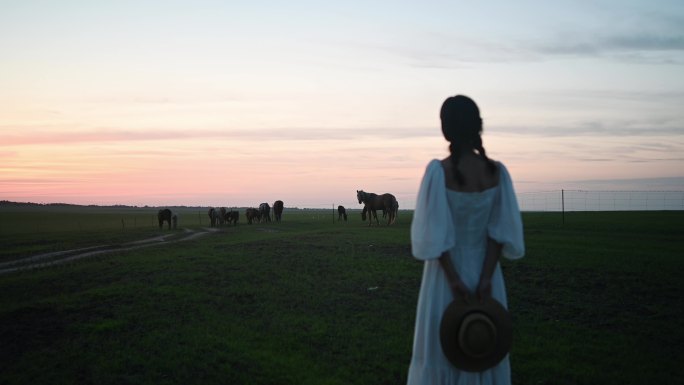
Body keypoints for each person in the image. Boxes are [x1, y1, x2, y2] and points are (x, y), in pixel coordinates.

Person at [407, 95, 525, 385]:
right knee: (482, 343)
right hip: (488, 274)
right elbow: (500, 234)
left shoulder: (438, 173)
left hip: (444, 280)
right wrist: (485, 278)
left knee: (443, 348)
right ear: (477, 127)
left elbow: (435, 236)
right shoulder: (497, 173)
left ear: (446, 129)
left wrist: (454, 280)